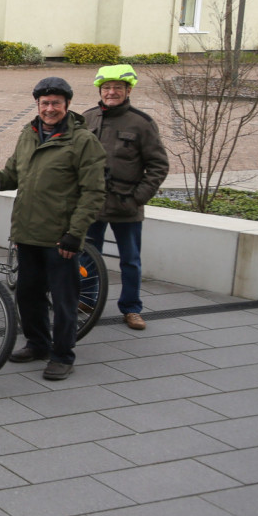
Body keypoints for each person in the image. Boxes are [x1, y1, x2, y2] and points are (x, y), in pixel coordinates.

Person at [0, 77, 106, 381]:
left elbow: (93, 192)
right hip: (27, 232)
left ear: (67, 105)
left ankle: (62, 356)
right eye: (44, 103)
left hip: (60, 237)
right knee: (28, 295)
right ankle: (37, 344)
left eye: (56, 103)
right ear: (37, 104)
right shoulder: (28, 134)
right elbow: (12, 174)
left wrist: (75, 233)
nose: (50, 109)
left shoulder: (83, 141)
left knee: (63, 301)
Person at [83, 64, 169, 331]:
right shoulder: (87, 118)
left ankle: (131, 308)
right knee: (86, 255)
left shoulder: (141, 123)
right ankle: (86, 300)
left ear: (128, 90)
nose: (111, 92)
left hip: (126, 204)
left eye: (117, 88)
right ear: (100, 90)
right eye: (107, 88)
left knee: (130, 260)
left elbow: (158, 165)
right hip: (92, 203)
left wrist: (138, 198)